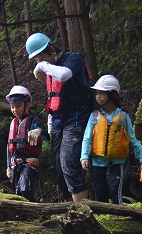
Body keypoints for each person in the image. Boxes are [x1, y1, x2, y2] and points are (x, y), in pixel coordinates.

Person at [26, 32, 94, 202]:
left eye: (41, 57)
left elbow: (64, 75)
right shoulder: (50, 68)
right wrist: (49, 121)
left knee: (69, 162)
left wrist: (42, 66)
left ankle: (82, 212)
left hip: (77, 114)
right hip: (57, 119)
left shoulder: (73, 59)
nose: (39, 61)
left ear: (51, 49)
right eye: (36, 59)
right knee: (59, 166)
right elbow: (52, 96)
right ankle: (69, 210)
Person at [79, 75, 142, 204]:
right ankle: (102, 217)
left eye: (101, 94)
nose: (98, 96)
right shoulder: (94, 116)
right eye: (96, 93)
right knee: (100, 191)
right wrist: (84, 156)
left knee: (115, 190)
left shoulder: (122, 116)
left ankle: (118, 216)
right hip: (97, 161)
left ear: (112, 95)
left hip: (117, 161)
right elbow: (87, 138)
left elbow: (133, 138)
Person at [5, 85, 44, 202]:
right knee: (17, 193)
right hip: (15, 163)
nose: (15, 110)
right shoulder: (14, 122)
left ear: (27, 105)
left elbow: (45, 132)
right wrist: (8, 167)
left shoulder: (34, 120)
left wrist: (39, 130)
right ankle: (25, 216)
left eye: (18, 106)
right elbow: (9, 146)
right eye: (12, 107)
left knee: (25, 188)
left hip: (30, 161)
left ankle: (34, 211)